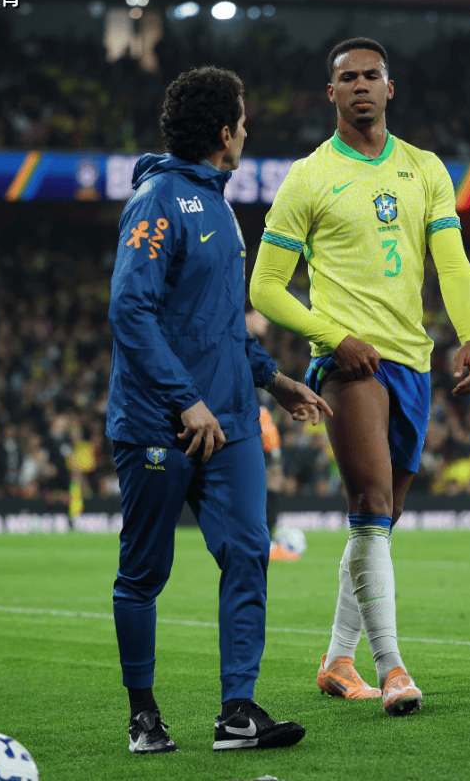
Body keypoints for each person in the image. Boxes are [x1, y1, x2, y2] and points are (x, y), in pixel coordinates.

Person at [249, 37, 470, 716]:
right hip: (349, 364)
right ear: (331, 93)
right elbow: (264, 287)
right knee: (373, 506)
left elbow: (452, 263)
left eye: (371, 75)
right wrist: (332, 337)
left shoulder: (425, 168)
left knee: (377, 523)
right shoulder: (308, 178)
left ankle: (336, 660)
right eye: (347, 77)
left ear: (390, 88)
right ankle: (393, 669)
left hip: (412, 361)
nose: (360, 85)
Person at [106, 66, 331, 753]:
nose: (248, 131)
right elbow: (130, 310)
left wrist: (274, 380)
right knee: (145, 572)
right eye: (243, 120)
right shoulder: (158, 200)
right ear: (225, 131)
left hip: (229, 422)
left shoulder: (220, 205)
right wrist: (186, 401)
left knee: (247, 553)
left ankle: (238, 711)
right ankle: (144, 716)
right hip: (159, 423)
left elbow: (221, 326)